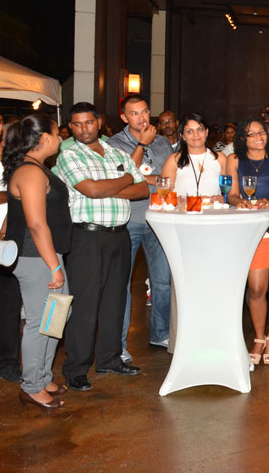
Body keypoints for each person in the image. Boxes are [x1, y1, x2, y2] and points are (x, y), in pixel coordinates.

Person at [53, 102, 148, 392]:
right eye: (76, 124)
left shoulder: (118, 153)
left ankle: (109, 358)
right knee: (85, 305)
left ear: (99, 122)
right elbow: (91, 190)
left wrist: (111, 185)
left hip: (119, 235)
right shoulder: (69, 156)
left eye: (88, 122)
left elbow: (143, 190)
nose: (83, 129)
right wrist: (125, 178)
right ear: (70, 127)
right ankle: (76, 367)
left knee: (114, 301)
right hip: (86, 237)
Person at [3, 113, 72, 409]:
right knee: (40, 321)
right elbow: (35, 224)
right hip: (36, 257)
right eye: (57, 133)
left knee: (57, 315)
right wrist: (53, 266)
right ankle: (31, 386)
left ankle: (42, 377)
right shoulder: (30, 172)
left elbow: (15, 215)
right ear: (44, 138)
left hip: (46, 254)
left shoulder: (37, 168)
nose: (60, 138)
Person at [226, 117, 269, 365]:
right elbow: (231, 195)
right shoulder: (235, 160)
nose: (259, 137)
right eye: (252, 134)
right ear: (242, 139)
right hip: (251, 230)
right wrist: (240, 202)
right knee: (256, 288)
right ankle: (258, 337)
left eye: (262, 132)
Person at [109, 94, 174, 358]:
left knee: (162, 281)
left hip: (160, 219)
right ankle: (119, 346)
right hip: (129, 220)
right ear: (124, 117)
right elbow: (123, 176)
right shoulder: (113, 143)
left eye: (145, 111)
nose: (141, 117)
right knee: (122, 284)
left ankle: (161, 334)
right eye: (134, 113)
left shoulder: (162, 142)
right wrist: (141, 145)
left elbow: (169, 178)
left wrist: (146, 178)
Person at [0, 109, 23, 387]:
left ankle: (5, 363)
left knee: (9, 307)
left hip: (6, 244)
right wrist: (16, 194)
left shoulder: (11, 157)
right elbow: (22, 193)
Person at [159, 113, 228, 199]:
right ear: (182, 136)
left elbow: (228, 193)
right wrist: (189, 201)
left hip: (213, 207)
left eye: (200, 129)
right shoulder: (174, 160)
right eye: (190, 131)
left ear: (206, 132)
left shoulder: (220, 158)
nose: (196, 134)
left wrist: (222, 198)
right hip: (182, 207)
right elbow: (164, 196)